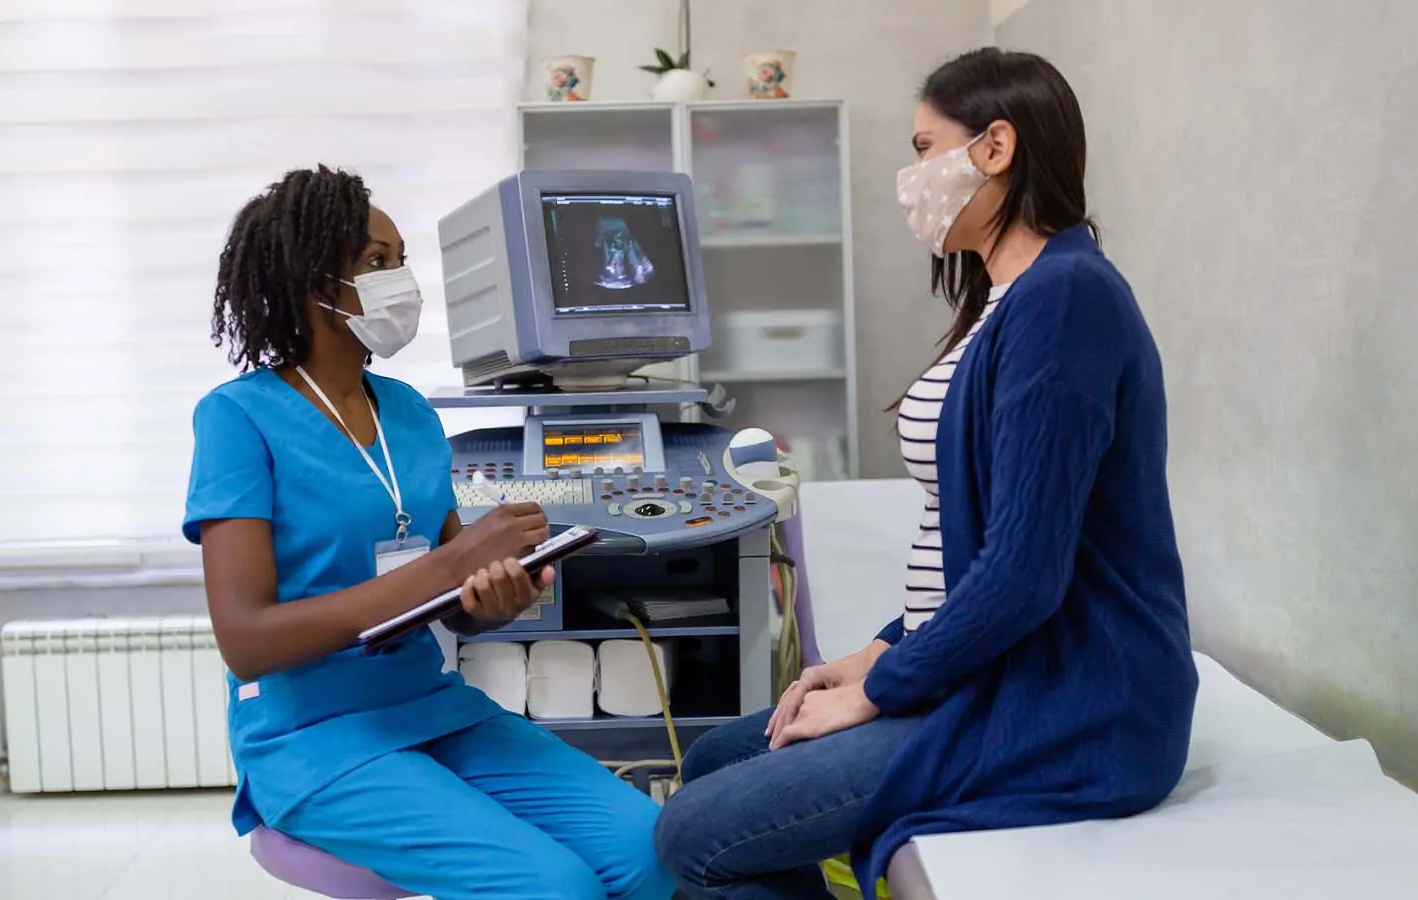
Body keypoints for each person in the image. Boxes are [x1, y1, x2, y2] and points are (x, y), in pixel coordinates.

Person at [653, 48, 1198, 898]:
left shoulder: (1065, 300)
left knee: (694, 833)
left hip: (1067, 704)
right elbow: (962, 545)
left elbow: (1022, 572)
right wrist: (878, 652)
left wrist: (878, 693)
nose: (910, 177)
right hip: (990, 671)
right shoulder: (1005, 301)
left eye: (921, 148)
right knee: (720, 757)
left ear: (995, 148)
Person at [184, 166, 673, 900]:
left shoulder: (409, 412)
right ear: (312, 281)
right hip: (312, 735)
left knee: (650, 850)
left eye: (401, 260)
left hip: (431, 705)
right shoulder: (237, 417)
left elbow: (457, 597)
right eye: (376, 263)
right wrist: (448, 568)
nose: (400, 280)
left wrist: (493, 596)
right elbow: (246, 639)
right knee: (555, 887)